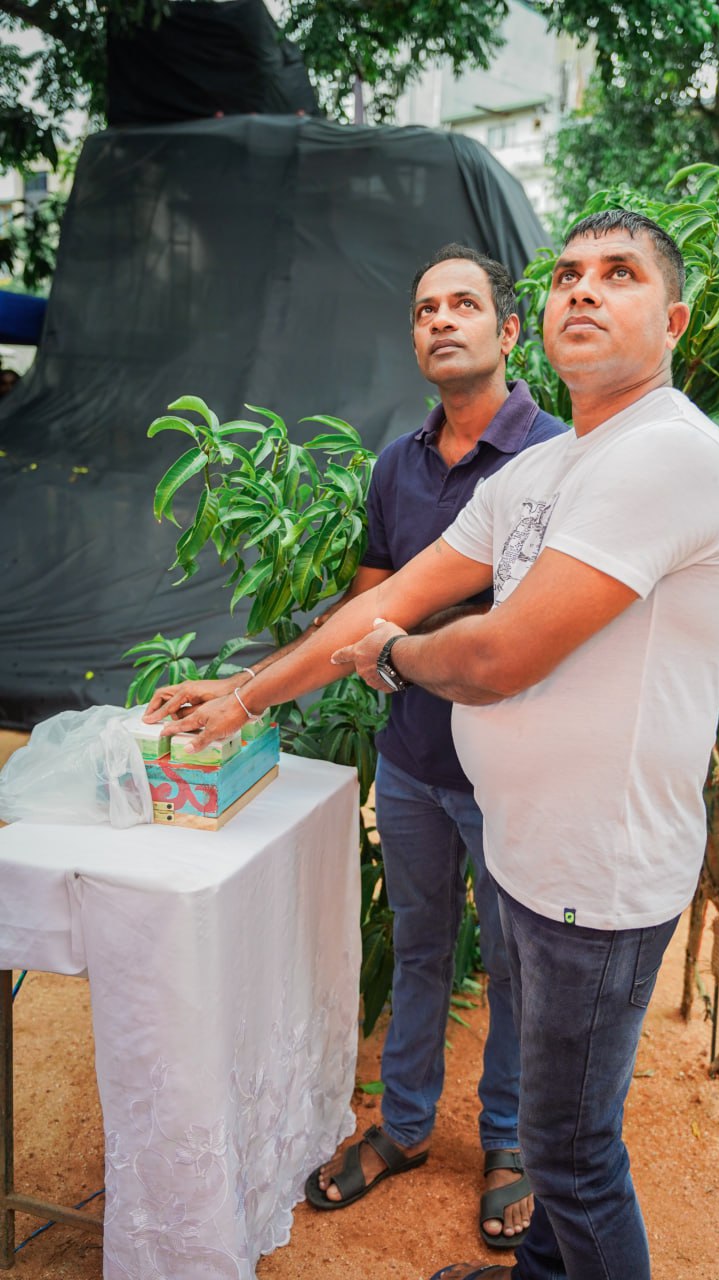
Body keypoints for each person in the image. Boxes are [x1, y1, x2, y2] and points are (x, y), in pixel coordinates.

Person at [145, 210, 719, 1280]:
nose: (582, 288)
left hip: (597, 877)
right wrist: (249, 693)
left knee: (570, 1157)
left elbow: (493, 656)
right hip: (529, 851)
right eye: (568, 271)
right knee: (567, 1143)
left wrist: (397, 652)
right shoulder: (545, 472)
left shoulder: (668, 455)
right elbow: (387, 600)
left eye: (616, 275)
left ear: (673, 319)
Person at [149, 243, 565, 1247]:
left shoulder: (556, 458)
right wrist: (249, 683)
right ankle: (409, 1125)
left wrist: (393, 642)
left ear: (509, 332)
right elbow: (366, 607)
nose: (441, 320)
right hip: (415, 762)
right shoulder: (397, 463)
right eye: (425, 307)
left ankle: (510, 1141)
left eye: (464, 304)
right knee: (423, 947)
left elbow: (522, 629)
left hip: (518, 770)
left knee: (516, 963)